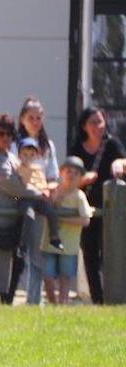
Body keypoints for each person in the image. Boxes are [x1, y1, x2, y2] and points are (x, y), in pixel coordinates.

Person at [0, 114, 62, 305]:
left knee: (14, 270)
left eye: (9, 134)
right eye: (0, 133)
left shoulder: (10, 156)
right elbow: (15, 186)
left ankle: (6, 308)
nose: (5, 137)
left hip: (13, 223)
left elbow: (25, 180)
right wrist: (40, 193)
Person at [68, 106, 126, 304]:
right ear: (84, 126)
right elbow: (68, 178)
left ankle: (114, 296)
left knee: (111, 253)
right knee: (90, 254)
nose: (98, 126)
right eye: (93, 122)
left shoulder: (112, 144)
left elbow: (123, 160)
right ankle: (98, 300)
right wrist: (82, 181)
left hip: (110, 210)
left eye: (100, 121)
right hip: (86, 209)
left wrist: (120, 164)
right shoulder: (77, 148)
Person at [41, 156, 92, 305]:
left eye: (76, 173)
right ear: (61, 172)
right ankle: (53, 303)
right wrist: (57, 198)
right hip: (49, 243)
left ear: (81, 178)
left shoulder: (80, 196)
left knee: (65, 277)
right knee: (48, 276)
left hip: (69, 245)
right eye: (68, 171)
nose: (71, 175)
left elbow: (85, 220)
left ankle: (63, 304)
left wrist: (62, 219)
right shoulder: (53, 191)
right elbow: (46, 208)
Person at [14, 137, 52, 306]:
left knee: (36, 258)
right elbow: (17, 191)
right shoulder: (16, 169)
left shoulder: (38, 170)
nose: (28, 156)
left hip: (39, 213)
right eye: (25, 153)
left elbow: (44, 188)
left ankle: (34, 299)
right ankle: (33, 299)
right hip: (24, 214)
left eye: (31, 153)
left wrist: (45, 193)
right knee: (29, 258)